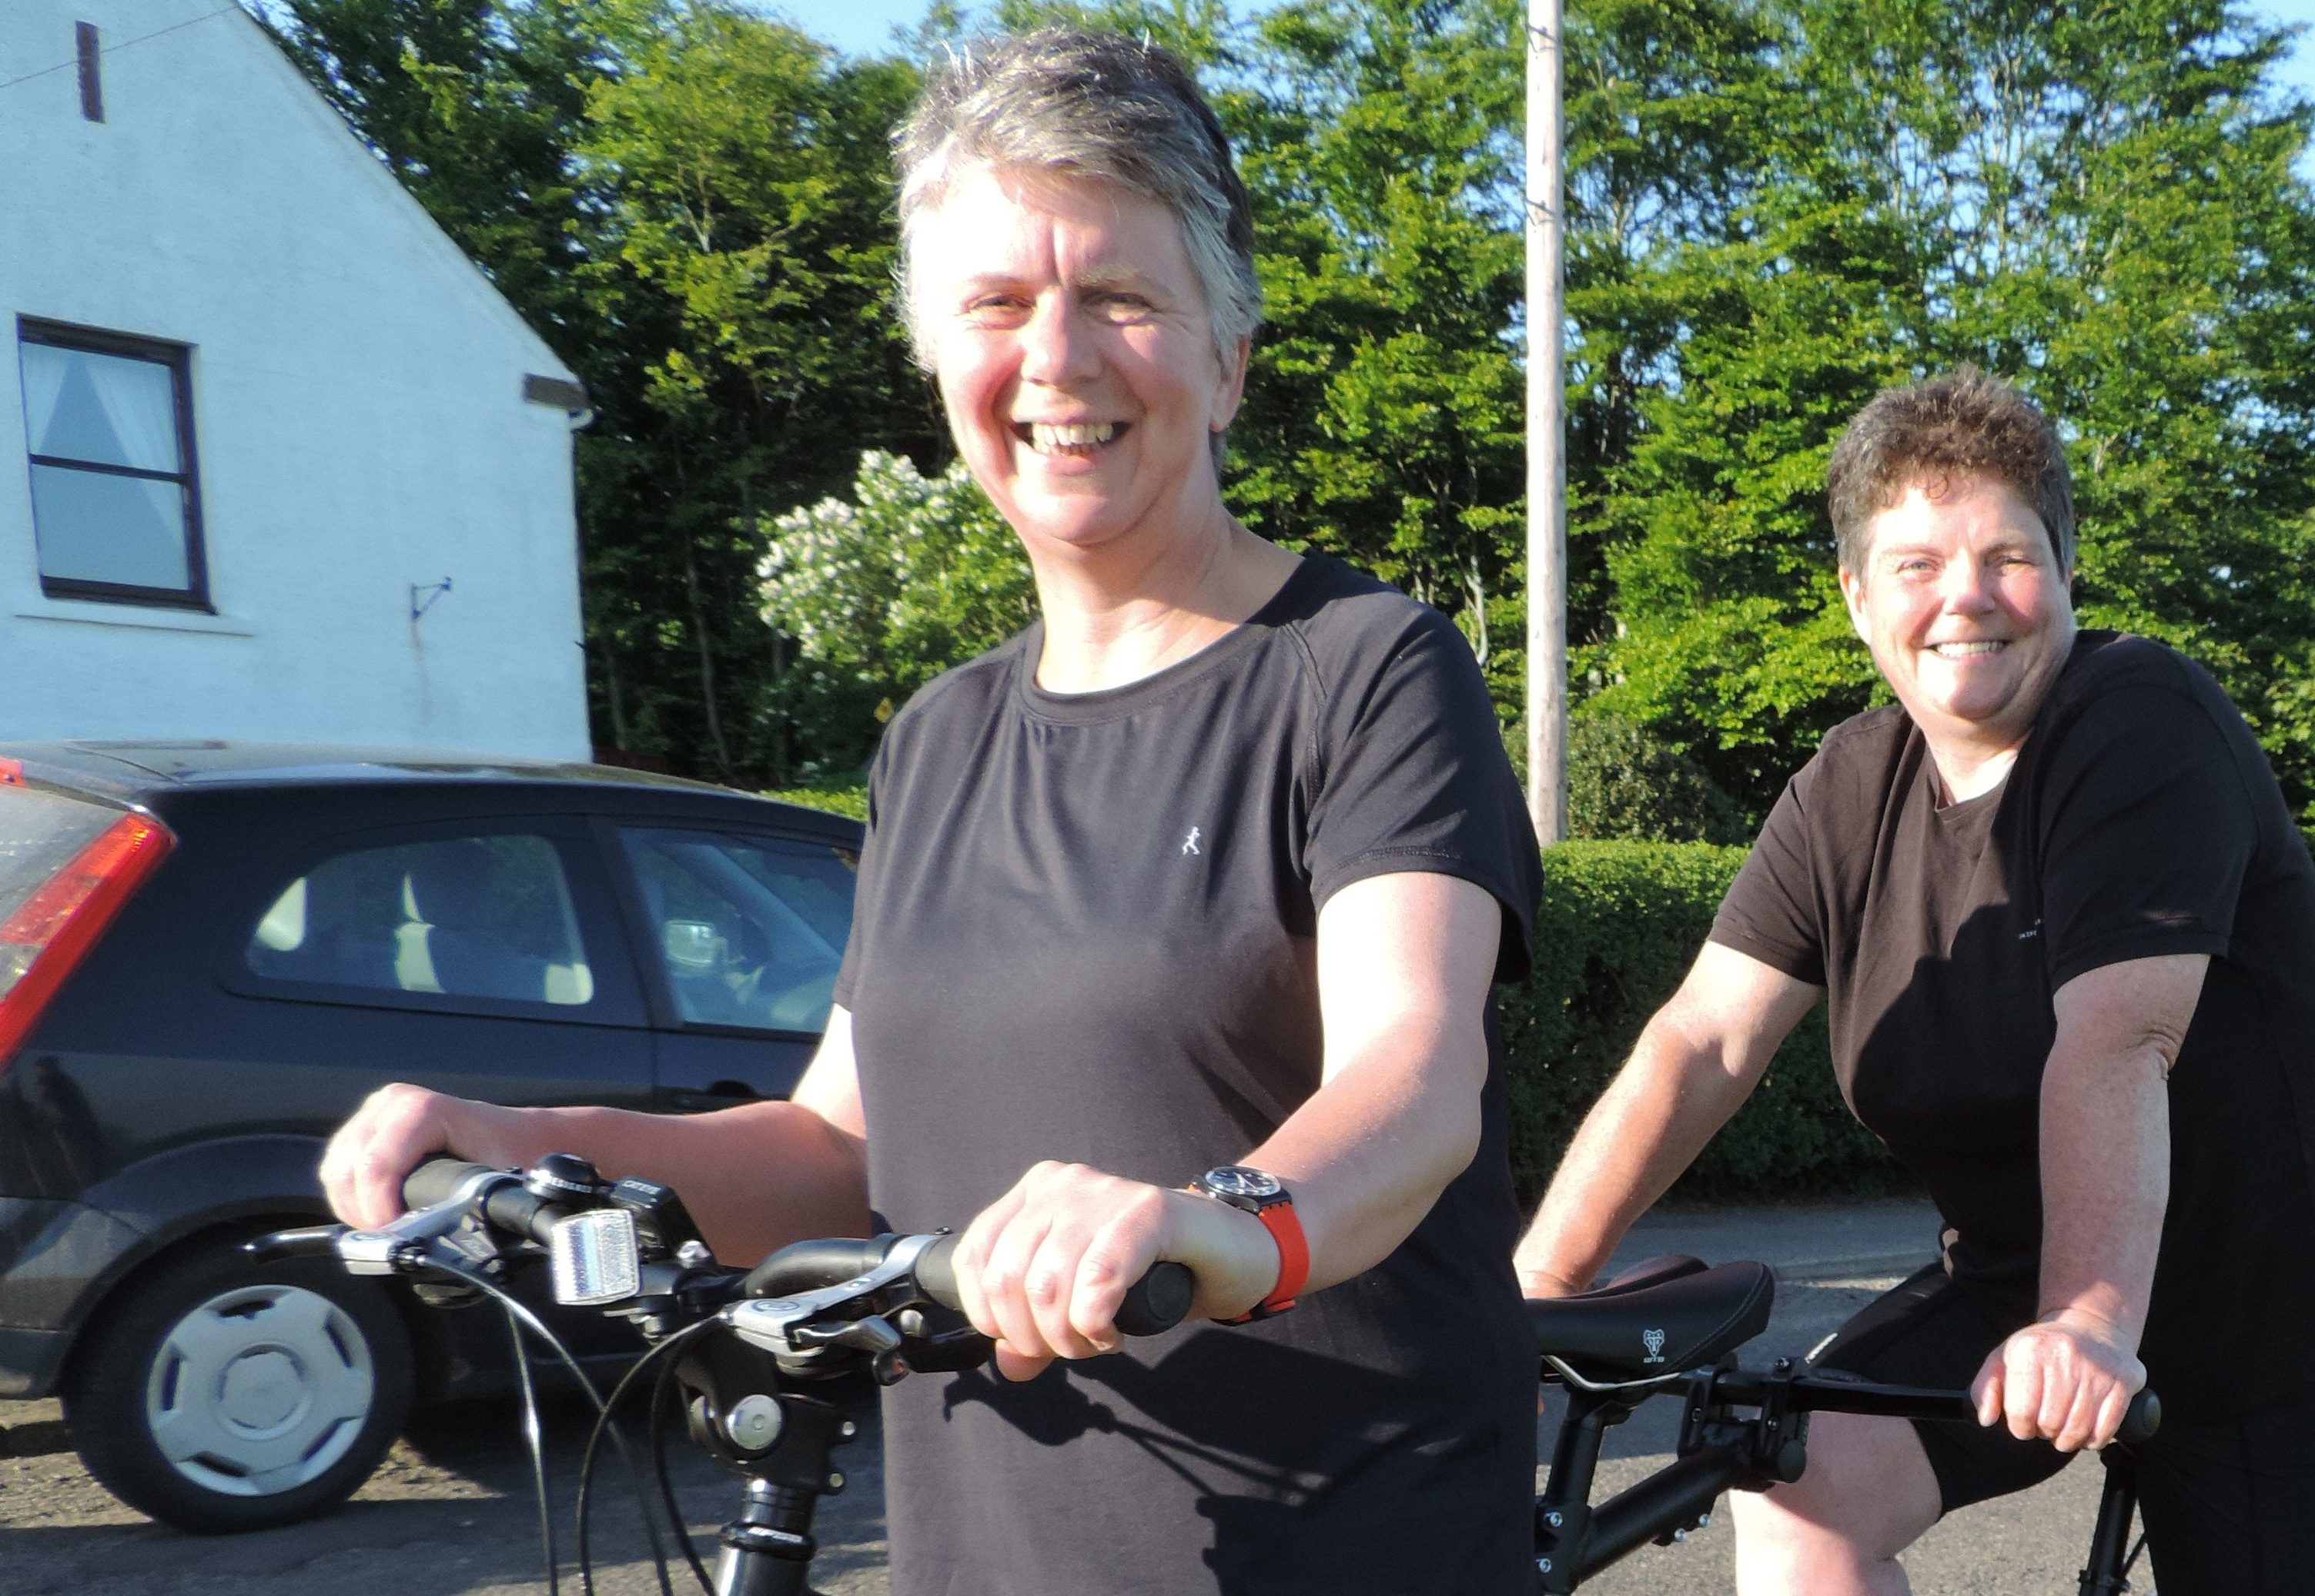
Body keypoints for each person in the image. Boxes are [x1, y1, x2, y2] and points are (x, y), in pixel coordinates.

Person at [319, 29, 1542, 1594]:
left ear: (1226, 355)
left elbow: (1414, 1078)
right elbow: (839, 1144)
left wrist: (1215, 1220)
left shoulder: (1361, 668)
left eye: (1118, 296)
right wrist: (526, 1139)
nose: (1057, 358)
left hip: (1342, 1547)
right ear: (934, 361)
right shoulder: (936, 736)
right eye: (995, 305)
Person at [1514, 370, 2315, 1595]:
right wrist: (1537, 1295)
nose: (1965, 597)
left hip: (2249, 1301)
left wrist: (2089, 1321)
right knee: (1795, 1494)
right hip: (2006, 1280)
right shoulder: (1845, 789)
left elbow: (2118, 1034)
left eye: (2006, 556)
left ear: (2067, 569)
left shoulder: (2142, 723)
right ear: (1857, 596)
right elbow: (1703, 1040)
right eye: (1917, 562)